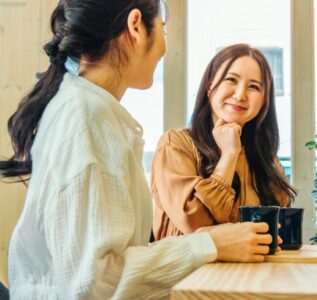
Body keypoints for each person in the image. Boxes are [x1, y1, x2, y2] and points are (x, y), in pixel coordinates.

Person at [0, 1, 274, 298]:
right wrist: (210, 244)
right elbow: (94, 284)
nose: (164, 48)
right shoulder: (86, 119)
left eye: (255, 87)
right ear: (136, 26)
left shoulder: (89, 112)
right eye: (164, 30)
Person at [151, 44, 296, 239]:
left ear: (264, 100)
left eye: (254, 86)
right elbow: (194, 226)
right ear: (210, 85)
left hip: (257, 270)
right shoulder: (175, 145)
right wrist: (228, 155)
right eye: (231, 80)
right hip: (194, 270)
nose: (240, 95)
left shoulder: (268, 160)